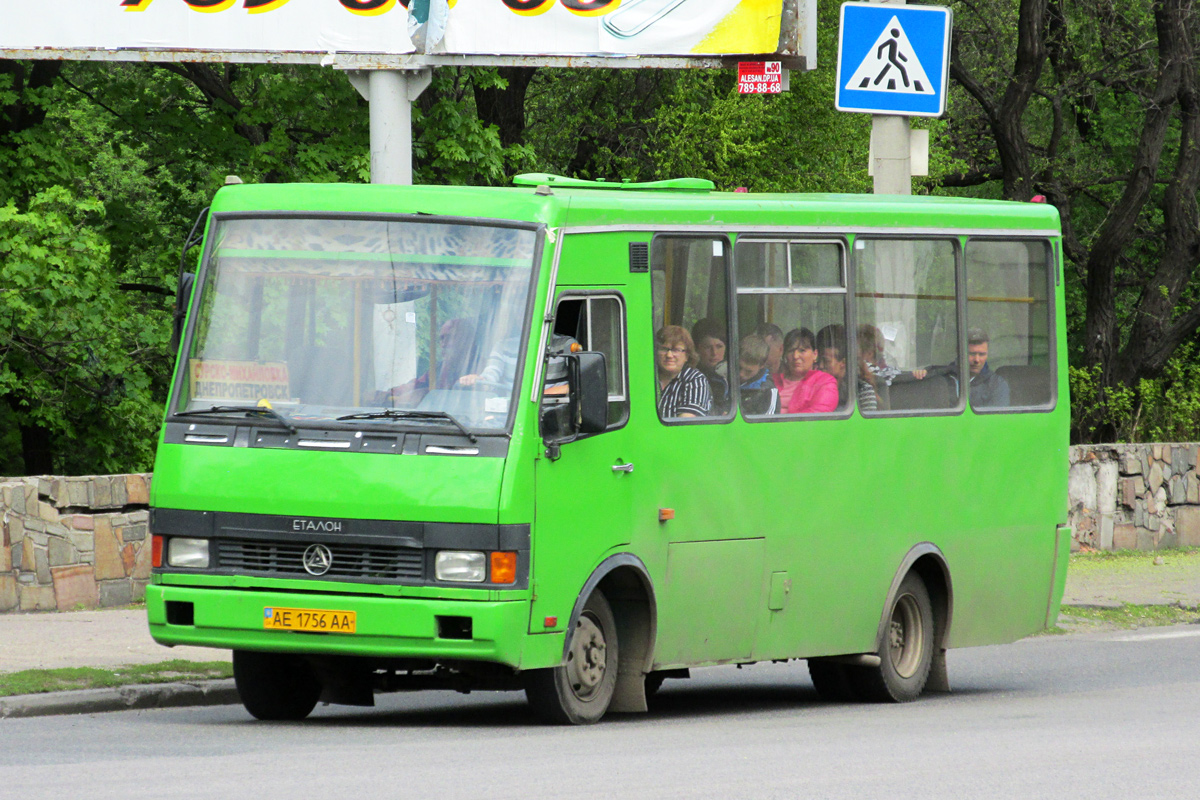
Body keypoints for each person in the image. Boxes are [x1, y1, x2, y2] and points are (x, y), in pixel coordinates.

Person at [773, 327, 838, 414]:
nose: (795, 356)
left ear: (815, 354)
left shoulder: (825, 382)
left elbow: (818, 414)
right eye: (791, 351)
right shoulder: (772, 380)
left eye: (802, 350)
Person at [655, 325, 711, 418]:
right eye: (664, 349)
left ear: (687, 355)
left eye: (676, 350)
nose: (669, 355)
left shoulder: (695, 379)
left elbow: (686, 423)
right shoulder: (647, 377)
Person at [691, 318, 730, 415]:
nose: (714, 353)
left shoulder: (734, 374)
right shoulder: (691, 377)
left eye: (719, 346)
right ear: (696, 349)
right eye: (708, 347)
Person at [963, 328, 1009, 408]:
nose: (977, 360)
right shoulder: (947, 380)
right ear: (961, 352)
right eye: (972, 354)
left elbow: (998, 418)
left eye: (981, 354)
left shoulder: (996, 385)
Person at [737, 334, 778, 415]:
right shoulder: (724, 376)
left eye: (748, 371)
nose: (741, 374)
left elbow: (767, 424)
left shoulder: (768, 391)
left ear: (762, 366)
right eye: (739, 367)